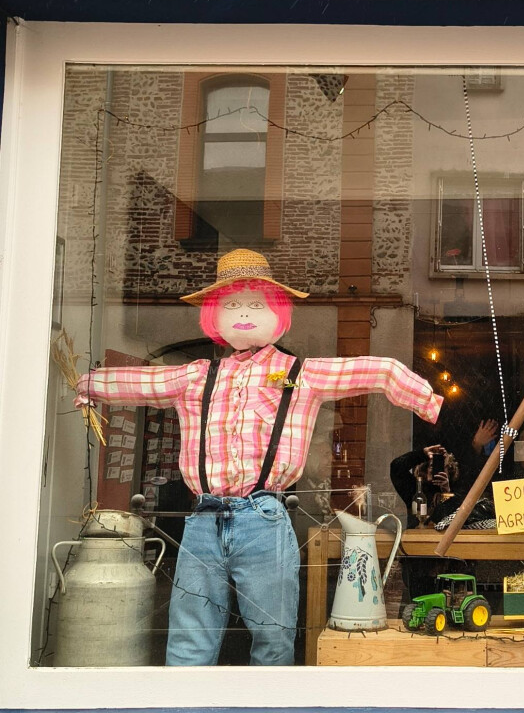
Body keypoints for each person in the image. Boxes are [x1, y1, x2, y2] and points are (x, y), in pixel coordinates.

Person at [75, 248, 442, 666]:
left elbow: (378, 370)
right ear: (214, 316)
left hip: (263, 519)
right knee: (189, 641)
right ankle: (186, 699)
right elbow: (142, 382)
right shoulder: (196, 376)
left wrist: (426, 400)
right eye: (231, 305)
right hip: (204, 519)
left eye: (256, 304)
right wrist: (86, 384)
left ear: (278, 312)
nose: (244, 313)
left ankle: (266, 699)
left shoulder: (299, 374)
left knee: (273, 639)